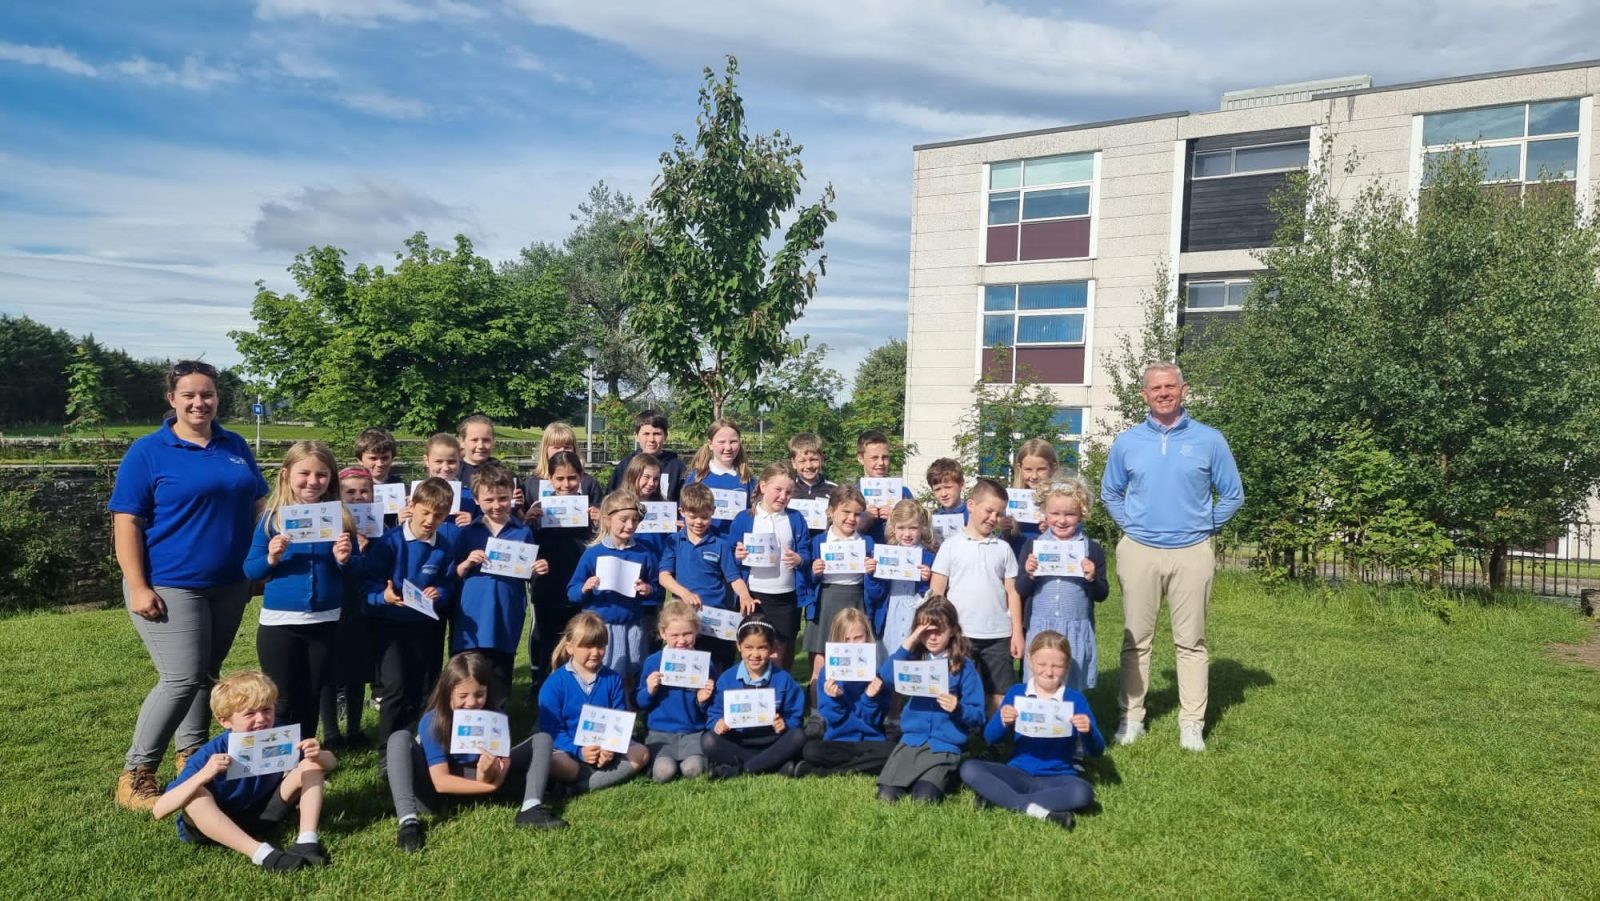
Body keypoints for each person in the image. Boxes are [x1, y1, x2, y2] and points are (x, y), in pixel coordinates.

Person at [110, 359, 269, 810]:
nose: (200, 402)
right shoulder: (148, 451)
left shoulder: (234, 443)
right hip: (170, 584)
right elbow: (126, 522)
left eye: (208, 394)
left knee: (205, 676)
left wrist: (260, 564)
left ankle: (192, 760)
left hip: (230, 582)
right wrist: (138, 585)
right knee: (181, 677)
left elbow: (259, 505)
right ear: (172, 399)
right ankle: (137, 773)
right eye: (190, 395)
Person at [1101, 361, 1244, 752]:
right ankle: (1131, 720)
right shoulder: (1128, 441)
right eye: (1155, 388)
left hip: (1192, 552)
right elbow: (1110, 492)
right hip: (1140, 550)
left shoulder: (1210, 440)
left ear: (1184, 390)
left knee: (1191, 642)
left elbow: (1233, 494)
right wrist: (1130, 525)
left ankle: (1192, 724)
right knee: (1135, 640)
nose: (1163, 393)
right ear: (1144, 395)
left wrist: (1204, 525)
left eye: (1170, 386)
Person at [152, 670, 336, 871]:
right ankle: (263, 854)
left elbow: (330, 764)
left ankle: (307, 842)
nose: (261, 719)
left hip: (262, 814)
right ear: (224, 720)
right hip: (215, 827)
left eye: (267, 709)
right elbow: (159, 810)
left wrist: (317, 755)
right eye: (249, 713)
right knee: (196, 796)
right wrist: (203, 775)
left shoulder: (278, 736)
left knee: (310, 765)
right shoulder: (210, 753)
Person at [387, 651, 565, 851]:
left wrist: (488, 772)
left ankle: (531, 807)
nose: (472, 703)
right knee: (399, 739)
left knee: (542, 740)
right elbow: (440, 781)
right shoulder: (433, 721)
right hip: (437, 796)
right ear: (447, 693)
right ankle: (409, 823)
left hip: (483, 786)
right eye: (463, 696)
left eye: (480, 694)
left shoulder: (495, 717)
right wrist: (489, 786)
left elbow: (498, 769)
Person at [244, 440, 359, 738]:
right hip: (280, 623)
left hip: (324, 621)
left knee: (311, 697)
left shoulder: (342, 519)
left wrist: (344, 560)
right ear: (285, 475)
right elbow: (250, 570)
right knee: (281, 700)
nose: (312, 481)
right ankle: (276, 767)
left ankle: (303, 761)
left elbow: (357, 570)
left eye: (321, 475)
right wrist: (271, 557)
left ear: (331, 478)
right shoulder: (272, 519)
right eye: (304, 473)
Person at [958, 631, 1104, 830]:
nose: (1049, 672)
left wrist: (1087, 731)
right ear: (1029, 661)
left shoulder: (1075, 699)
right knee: (969, 768)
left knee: (1083, 793)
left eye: (1057, 666)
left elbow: (1097, 750)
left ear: (1067, 666)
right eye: (1042, 664)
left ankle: (1001, 798)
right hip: (1017, 772)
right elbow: (989, 737)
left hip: (1058, 777)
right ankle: (1032, 807)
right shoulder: (1018, 693)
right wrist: (1002, 720)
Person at [364, 477, 457, 744]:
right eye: (425, 512)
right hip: (390, 623)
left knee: (426, 687)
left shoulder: (444, 547)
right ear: (412, 505)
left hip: (426, 625)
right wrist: (383, 596)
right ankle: (388, 751)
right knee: (396, 688)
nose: (430, 520)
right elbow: (368, 583)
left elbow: (448, 582)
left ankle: (421, 745)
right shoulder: (389, 542)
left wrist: (439, 593)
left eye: (438, 515)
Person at [452, 463, 546, 707]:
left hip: (506, 612)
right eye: (489, 499)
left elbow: (527, 575)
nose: (496, 505)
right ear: (476, 499)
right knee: (467, 673)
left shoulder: (522, 532)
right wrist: (466, 563)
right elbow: (454, 573)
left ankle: (497, 728)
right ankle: (462, 731)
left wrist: (537, 570)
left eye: (503, 499)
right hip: (472, 616)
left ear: (511, 496)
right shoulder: (467, 532)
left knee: (500, 674)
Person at [927, 477, 1024, 712]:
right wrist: (938, 629)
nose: (993, 518)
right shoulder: (950, 546)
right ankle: (961, 739)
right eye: (989, 510)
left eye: (999, 514)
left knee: (998, 693)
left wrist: (1017, 633)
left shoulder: (1003, 549)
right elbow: (937, 592)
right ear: (971, 505)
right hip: (961, 633)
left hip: (998, 635)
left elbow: (1013, 592)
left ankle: (993, 743)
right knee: (959, 689)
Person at [876, 597, 985, 804]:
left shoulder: (964, 666)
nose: (932, 637)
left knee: (924, 798)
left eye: (939, 630)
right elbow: (887, 676)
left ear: (953, 630)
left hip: (944, 745)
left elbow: (978, 715)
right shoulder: (914, 658)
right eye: (926, 631)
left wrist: (958, 708)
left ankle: (953, 773)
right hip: (911, 742)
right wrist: (910, 641)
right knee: (886, 797)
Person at [538, 613, 649, 796]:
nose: (596, 652)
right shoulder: (554, 684)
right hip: (569, 750)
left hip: (605, 746)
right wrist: (579, 752)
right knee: (552, 763)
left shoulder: (612, 678)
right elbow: (552, 731)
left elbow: (619, 719)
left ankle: (578, 788)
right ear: (570, 647)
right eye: (588, 646)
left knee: (642, 753)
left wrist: (610, 747)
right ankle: (598, 776)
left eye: (600, 645)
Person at [1015, 479, 1109, 689]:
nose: (1062, 520)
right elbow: (1021, 589)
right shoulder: (1033, 546)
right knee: (1038, 683)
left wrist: (1092, 578)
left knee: (1071, 686)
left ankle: (1072, 719)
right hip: (1041, 627)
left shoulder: (1091, 549)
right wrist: (1030, 574)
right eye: (1055, 514)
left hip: (1074, 628)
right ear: (1045, 514)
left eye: (1070, 514)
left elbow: (1102, 594)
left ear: (1081, 514)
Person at [800, 485, 885, 709]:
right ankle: (817, 712)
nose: (851, 518)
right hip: (826, 601)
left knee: (858, 659)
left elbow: (875, 590)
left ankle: (856, 707)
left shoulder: (867, 543)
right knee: (821, 660)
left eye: (857, 514)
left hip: (857, 602)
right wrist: (814, 572)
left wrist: (872, 573)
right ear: (831, 512)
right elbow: (806, 582)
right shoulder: (819, 542)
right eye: (845, 512)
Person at [567, 491, 658, 691]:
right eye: (623, 520)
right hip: (601, 626)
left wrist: (648, 589)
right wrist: (585, 588)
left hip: (632, 625)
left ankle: (627, 712)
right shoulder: (593, 554)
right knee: (599, 671)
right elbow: (572, 591)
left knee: (631, 672)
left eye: (634, 520)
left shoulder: (643, 553)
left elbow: (657, 588)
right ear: (607, 520)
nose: (630, 525)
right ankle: (598, 708)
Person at [658, 482, 752, 670]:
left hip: (717, 618)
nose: (699, 522)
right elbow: (664, 576)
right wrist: (684, 593)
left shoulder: (721, 544)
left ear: (713, 512)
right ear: (682, 511)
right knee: (687, 668)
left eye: (705, 517)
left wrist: (745, 595)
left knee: (718, 667)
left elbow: (734, 578)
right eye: (693, 517)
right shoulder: (674, 541)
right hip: (685, 620)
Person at [525, 449, 596, 693]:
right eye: (560, 479)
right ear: (550, 480)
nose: (566, 484)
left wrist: (600, 522)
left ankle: (577, 695)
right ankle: (545, 697)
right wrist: (527, 522)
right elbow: (523, 548)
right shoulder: (539, 509)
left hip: (579, 587)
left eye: (572, 478)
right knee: (548, 645)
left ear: (580, 477)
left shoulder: (590, 510)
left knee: (579, 643)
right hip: (548, 587)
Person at [730, 462, 811, 671]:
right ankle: (752, 690)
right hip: (755, 595)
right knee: (753, 647)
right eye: (778, 490)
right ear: (763, 486)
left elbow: (806, 552)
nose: (783, 496)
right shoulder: (744, 518)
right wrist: (737, 555)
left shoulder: (795, 518)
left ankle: (778, 695)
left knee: (779, 651)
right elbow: (730, 554)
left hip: (785, 595)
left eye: (789, 492)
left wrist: (799, 559)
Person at [702, 616, 806, 779]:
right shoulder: (727, 679)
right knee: (708, 741)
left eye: (762, 648)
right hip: (738, 740)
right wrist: (718, 724)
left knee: (799, 736)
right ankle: (774, 766)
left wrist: (785, 724)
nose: (755, 654)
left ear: (772, 648)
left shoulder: (784, 679)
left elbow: (795, 716)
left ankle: (739, 770)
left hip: (772, 740)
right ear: (739, 646)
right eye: (748, 647)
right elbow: (713, 714)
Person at [793, 608, 892, 778]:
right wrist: (835, 699)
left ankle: (825, 771)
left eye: (858, 638)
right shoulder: (827, 673)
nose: (852, 644)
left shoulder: (878, 674)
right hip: (839, 741)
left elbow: (875, 720)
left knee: (892, 751)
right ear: (837, 642)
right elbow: (832, 720)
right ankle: (862, 764)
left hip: (870, 740)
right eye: (846, 639)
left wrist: (870, 697)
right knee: (811, 750)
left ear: (867, 637)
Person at [320, 466, 377, 747]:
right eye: (350, 492)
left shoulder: (381, 527)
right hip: (334, 604)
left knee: (357, 671)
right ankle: (331, 732)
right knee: (329, 671)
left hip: (363, 607)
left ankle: (355, 729)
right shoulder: (331, 524)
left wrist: (368, 548)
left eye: (364, 491)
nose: (357, 497)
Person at [635, 601, 718, 782]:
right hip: (660, 732)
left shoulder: (705, 664)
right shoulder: (653, 662)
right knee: (664, 772)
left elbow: (710, 709)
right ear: (663, 633)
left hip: (692, 732)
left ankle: (696, 759)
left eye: (687, 633)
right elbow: (641, 703)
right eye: (675, 635)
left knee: (693, 769)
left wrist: (703, 699)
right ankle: (659, 761)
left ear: (696, 630)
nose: (681, 640)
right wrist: (649, 689)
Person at [869, 499, 936, 661]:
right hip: (890, 615)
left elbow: (934, 596)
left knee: (915, 658)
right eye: (901, 528)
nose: (907, 534)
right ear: (893, 528)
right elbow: (874, 594)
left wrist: (927, 580)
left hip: (916, 615)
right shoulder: (884, 555)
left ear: (922, 528)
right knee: (888, 659)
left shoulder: (929, 557)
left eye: (913, 528)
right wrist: (871, 574)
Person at [620, 453, 669, 648]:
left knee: (651, 643)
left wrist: (676, 530)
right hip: (624, 585)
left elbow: (668, 548)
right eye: (646, 477)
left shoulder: (665, 508)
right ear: (633, 475)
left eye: (656, 479)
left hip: (653, 586)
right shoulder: (618, 505)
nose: (651, 483)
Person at [683, 418, 755, 539]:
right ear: (710, 444)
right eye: (721, 442)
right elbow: (685, 513)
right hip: (703, 548)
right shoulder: (696, 478)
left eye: (733, 442)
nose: (728, 447)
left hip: (736, 550)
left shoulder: (748, 480)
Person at [524, 421, 605, 518]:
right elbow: (522, 520)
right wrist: (527, 517)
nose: (562, 451)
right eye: (556, 447)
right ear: (546, 450)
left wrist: (599, 517)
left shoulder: (588, 482)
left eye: (567, 447)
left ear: (574, 449)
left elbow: (600, 512)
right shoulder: (531, 484)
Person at [607, 410, 686, 501]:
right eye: (646, 434)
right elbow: (612, 499)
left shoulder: (677, 467)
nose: (651, 439)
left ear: (665, 436)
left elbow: (685, 502)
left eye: (657, 434)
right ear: (636, 436)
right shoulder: (626, 464)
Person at [1004, 439, 1059, 556]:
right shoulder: (1011, 500)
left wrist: (1054, 530)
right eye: (1028, 470)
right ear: (1020, 468)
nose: (1034, 476)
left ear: (1053, 468)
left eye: (1041, 469)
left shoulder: (1063, 499)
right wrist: (1005, 530)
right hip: (1017, 562)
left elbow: (1077, 530)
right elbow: (1004, 543)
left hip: (1047, 562)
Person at [855, 429, 912, 543]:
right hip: (864, 557)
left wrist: (897, 518)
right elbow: (836, 533)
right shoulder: (850, 494)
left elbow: (918, 528)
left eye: (885, 457)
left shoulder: (903, 493)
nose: (881, 463)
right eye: (874, 458)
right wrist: (859, 525)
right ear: (861, 458)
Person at [419, 433, 475, 527]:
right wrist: (404, 520)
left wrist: (473, 523)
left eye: (451, 462)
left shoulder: (471, 497)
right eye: (438, 461)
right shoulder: (416, 494)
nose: (445, 468)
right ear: (426, 460)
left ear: (459, 460)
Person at [926, 457, 969, 540]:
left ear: (962, 485)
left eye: (948, 487)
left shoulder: (973, 515)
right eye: (937, 489)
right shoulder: (933, 520)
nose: (943, 494)